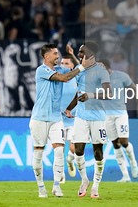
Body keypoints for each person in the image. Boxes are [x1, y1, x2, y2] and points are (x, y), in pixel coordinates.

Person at [29, 43, 84, 198]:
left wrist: (75, 57)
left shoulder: (61, 69)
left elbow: (80, 71)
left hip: (56, 118)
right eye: (54, 54)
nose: (58, 56)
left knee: (59, 151)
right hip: (39, 118)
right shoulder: (42, 70)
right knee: (38, 154)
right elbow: (65, 79)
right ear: (46, 56)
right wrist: (81, 67)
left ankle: (56, 186)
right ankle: (41, 188)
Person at [65, 41, 112, 199]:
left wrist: (90, 95)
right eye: (78, 52)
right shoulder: (80, 71)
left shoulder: (101, 71)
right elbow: (79, 93)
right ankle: (84, 180)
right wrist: (69, 108)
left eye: (81, 52)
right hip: (81, 117)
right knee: (78, 151)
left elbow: (109, 94)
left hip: (98, 118)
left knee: (98, 153)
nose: (78, 54)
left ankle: (96, 186)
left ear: (90, 54)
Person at [100, 58, 138, 182]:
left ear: (106, 67)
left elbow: (135, 90)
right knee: (115, 144)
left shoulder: (121, 76)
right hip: (106, 116)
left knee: (124, 142)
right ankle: (125, 176)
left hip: (120, 113)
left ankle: (132, 161)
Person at [59, 51, 79, 182]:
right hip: (58, 119)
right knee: (59, 148)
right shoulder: (57, 78)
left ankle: (70, 159)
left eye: (66, 63)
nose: (63, 65)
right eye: (61, 63)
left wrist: (73, 56)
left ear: (72, 66)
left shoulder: (77, 78)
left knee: (74, 146)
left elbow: (82, 68)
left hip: (73, 119)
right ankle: (60, 173)